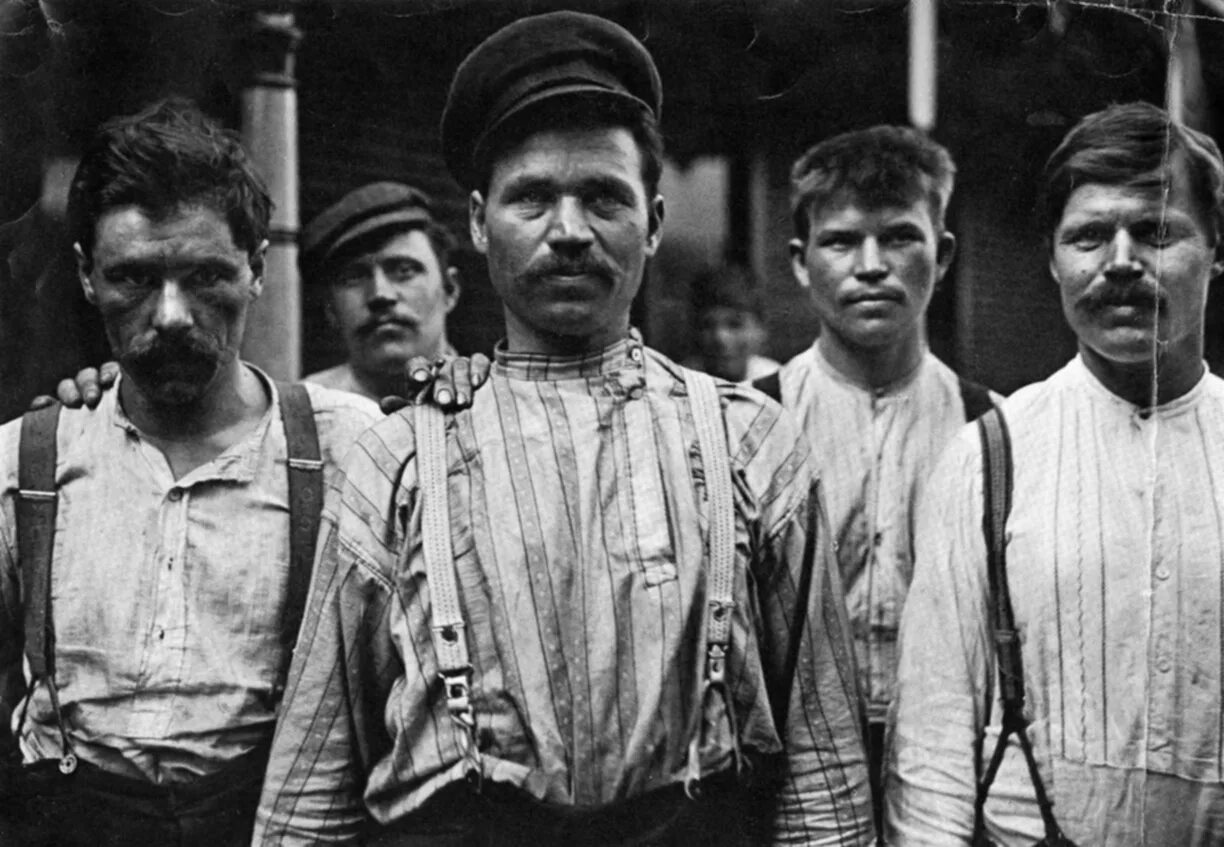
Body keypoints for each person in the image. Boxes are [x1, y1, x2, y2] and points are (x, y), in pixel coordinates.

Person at [255, 11, 873, 846]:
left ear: (653, 223)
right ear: (479, 222)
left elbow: (826, 776)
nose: (571, 230)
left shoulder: (749, 442)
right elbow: (310, 791)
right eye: (534, 197)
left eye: (604, 197)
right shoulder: (396, 458)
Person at [0, 98, 379, 846]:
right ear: (86, 276)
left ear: (257, 269)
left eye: (205, 276)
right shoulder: (24, 460)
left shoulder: (349, 447)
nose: (172, 314)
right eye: (135, 278)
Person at [887, 101, 1224, 843]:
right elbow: (932, 741)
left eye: (1159, 231)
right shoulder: (991, 456)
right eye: (1090, 236)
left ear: (1216, 249)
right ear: (1053, 258)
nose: (1122, 262)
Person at [752, 125, 993, 815]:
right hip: (793, 771)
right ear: (801, 262)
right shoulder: (752, 423)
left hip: (953, 766)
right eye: (841, 241)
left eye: (898, 237)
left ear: (942, 254)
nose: (871, 265)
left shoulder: (993, 427)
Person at [300, 182, 463, 403]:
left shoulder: (497, 404)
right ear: (331, 310)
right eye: (354, 277)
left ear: (449, 289)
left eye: (404, 271)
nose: (380, 294)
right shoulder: (304, 413)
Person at [684, 264, 780, 383]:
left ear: (761, 330)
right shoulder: (679, 384)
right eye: (707, 325)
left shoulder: (777, 382)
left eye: (735, 325)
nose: (720, 337)